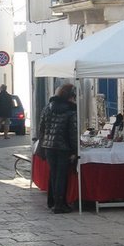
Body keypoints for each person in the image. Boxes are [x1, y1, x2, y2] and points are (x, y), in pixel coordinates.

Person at [38, 83, 78, 213]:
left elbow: (41, 128)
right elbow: (73, 133)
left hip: (48, 147)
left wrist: (43, 142)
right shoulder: (71, 111)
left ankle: (53, 202)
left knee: (53, 174)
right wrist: (75, 150)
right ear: (69, 97)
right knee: (61, 175)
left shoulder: (47, 108)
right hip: (64, 148)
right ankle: (60, 205)